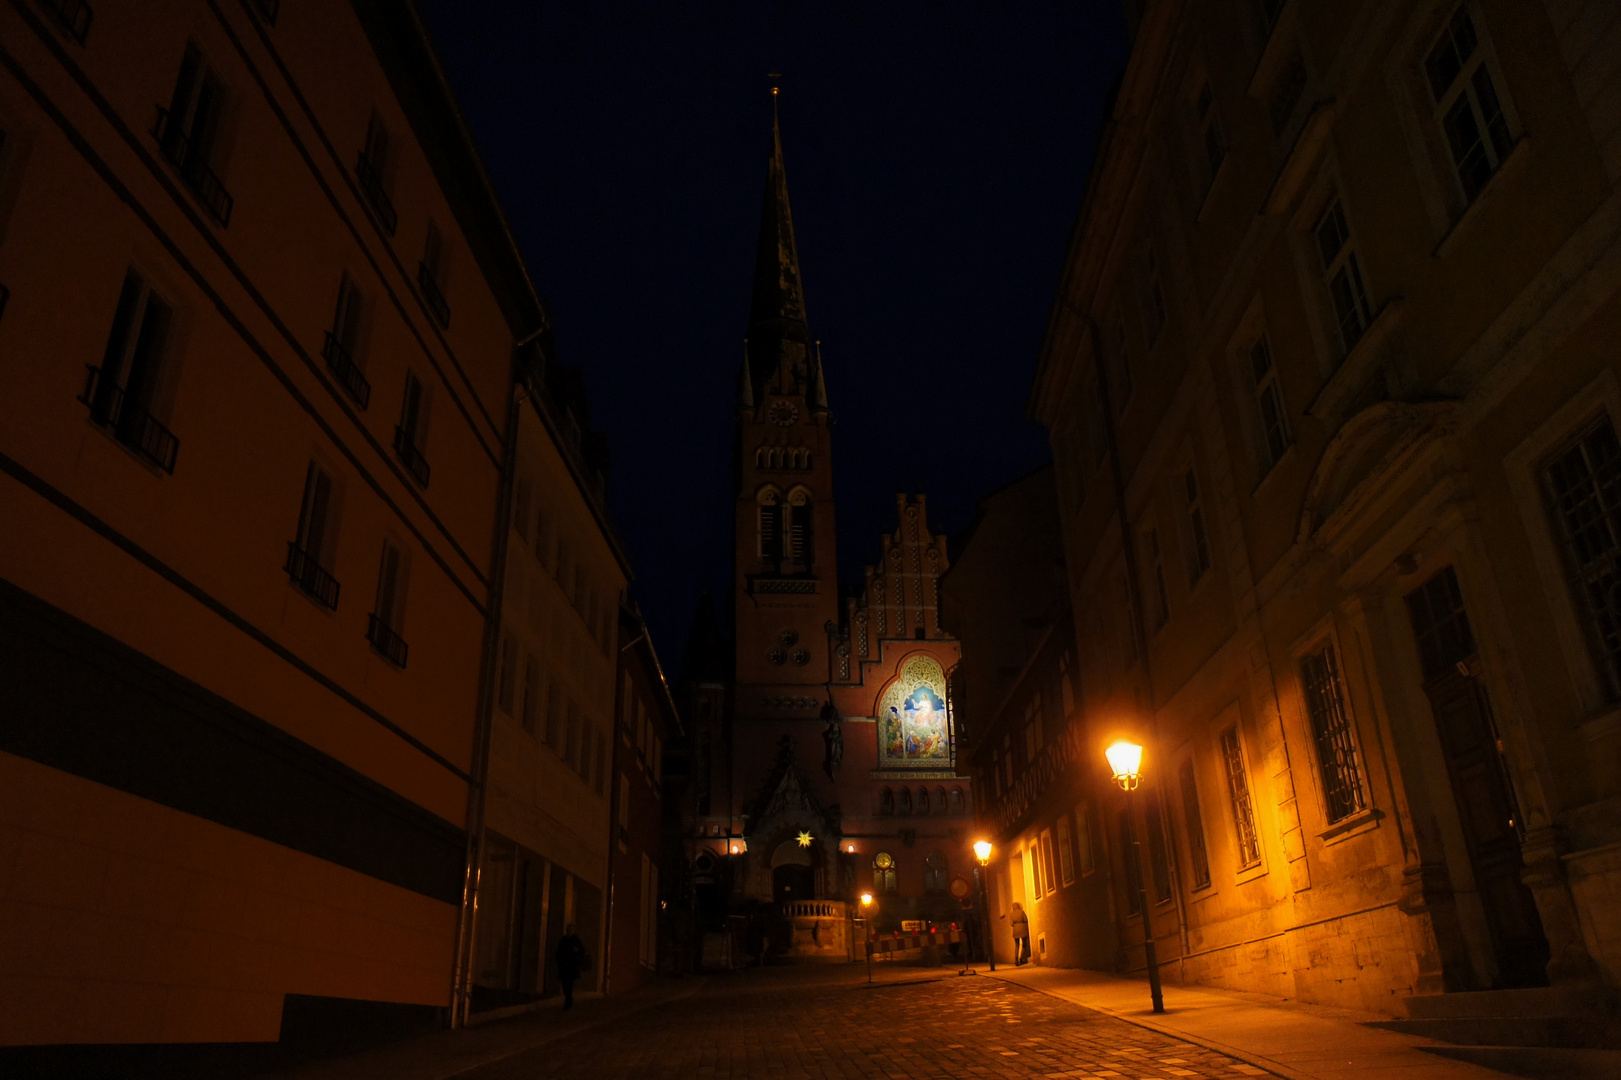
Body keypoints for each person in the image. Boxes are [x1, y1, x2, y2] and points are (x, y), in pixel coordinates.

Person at [555, 924, 588, 1010]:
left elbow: (582, 951)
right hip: (564, 966)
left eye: (570, 930)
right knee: (565, 984)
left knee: (569, 984)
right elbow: (559, 951)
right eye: (567, 930)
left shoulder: (575, 940)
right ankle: (568, 1000)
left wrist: (576, 952)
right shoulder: (564, 939)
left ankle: (568, 1001)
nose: (568, 931)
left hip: (571, 966)